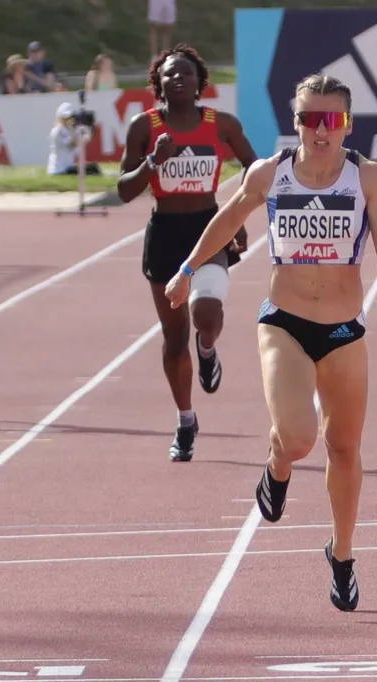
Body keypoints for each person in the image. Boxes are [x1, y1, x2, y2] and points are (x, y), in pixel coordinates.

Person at [164, 73, 377, 612]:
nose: (321, 130)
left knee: (344, 448)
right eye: (310, 119)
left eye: (332, 120)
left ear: (347, 124)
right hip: (284, 323)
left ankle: (341, 554)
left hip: (344, 330)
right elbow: (227, 218)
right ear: (295, 123)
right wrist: (187, 269)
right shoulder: (270, 174)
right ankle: (278, 465)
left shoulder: (366, 176)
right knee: (297, 438)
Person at [116, 44, 258, 462]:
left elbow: (254, 169)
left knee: (206, 315)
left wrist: (237, 215)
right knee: (174, 337)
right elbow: (124, 190)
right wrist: (152, 163)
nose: (178, 78)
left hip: (208, 229)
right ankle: (185, 419)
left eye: (186, 73)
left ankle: (208, 348)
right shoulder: (144, 126)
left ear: (200, 83)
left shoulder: (222, 124)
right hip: (165, 233)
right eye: (170, 74)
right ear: (158, 84)